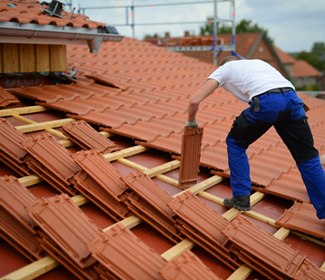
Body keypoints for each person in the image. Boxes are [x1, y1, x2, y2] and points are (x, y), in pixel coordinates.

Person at [186, 56, 325, 219]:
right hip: (294, 101)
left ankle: (241, 198)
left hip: (268, 102)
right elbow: (283, 89)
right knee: (307, 157)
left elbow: (194, 101)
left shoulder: (225, 68)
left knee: (235, 143)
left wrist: (191, 121)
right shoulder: (259, 63)